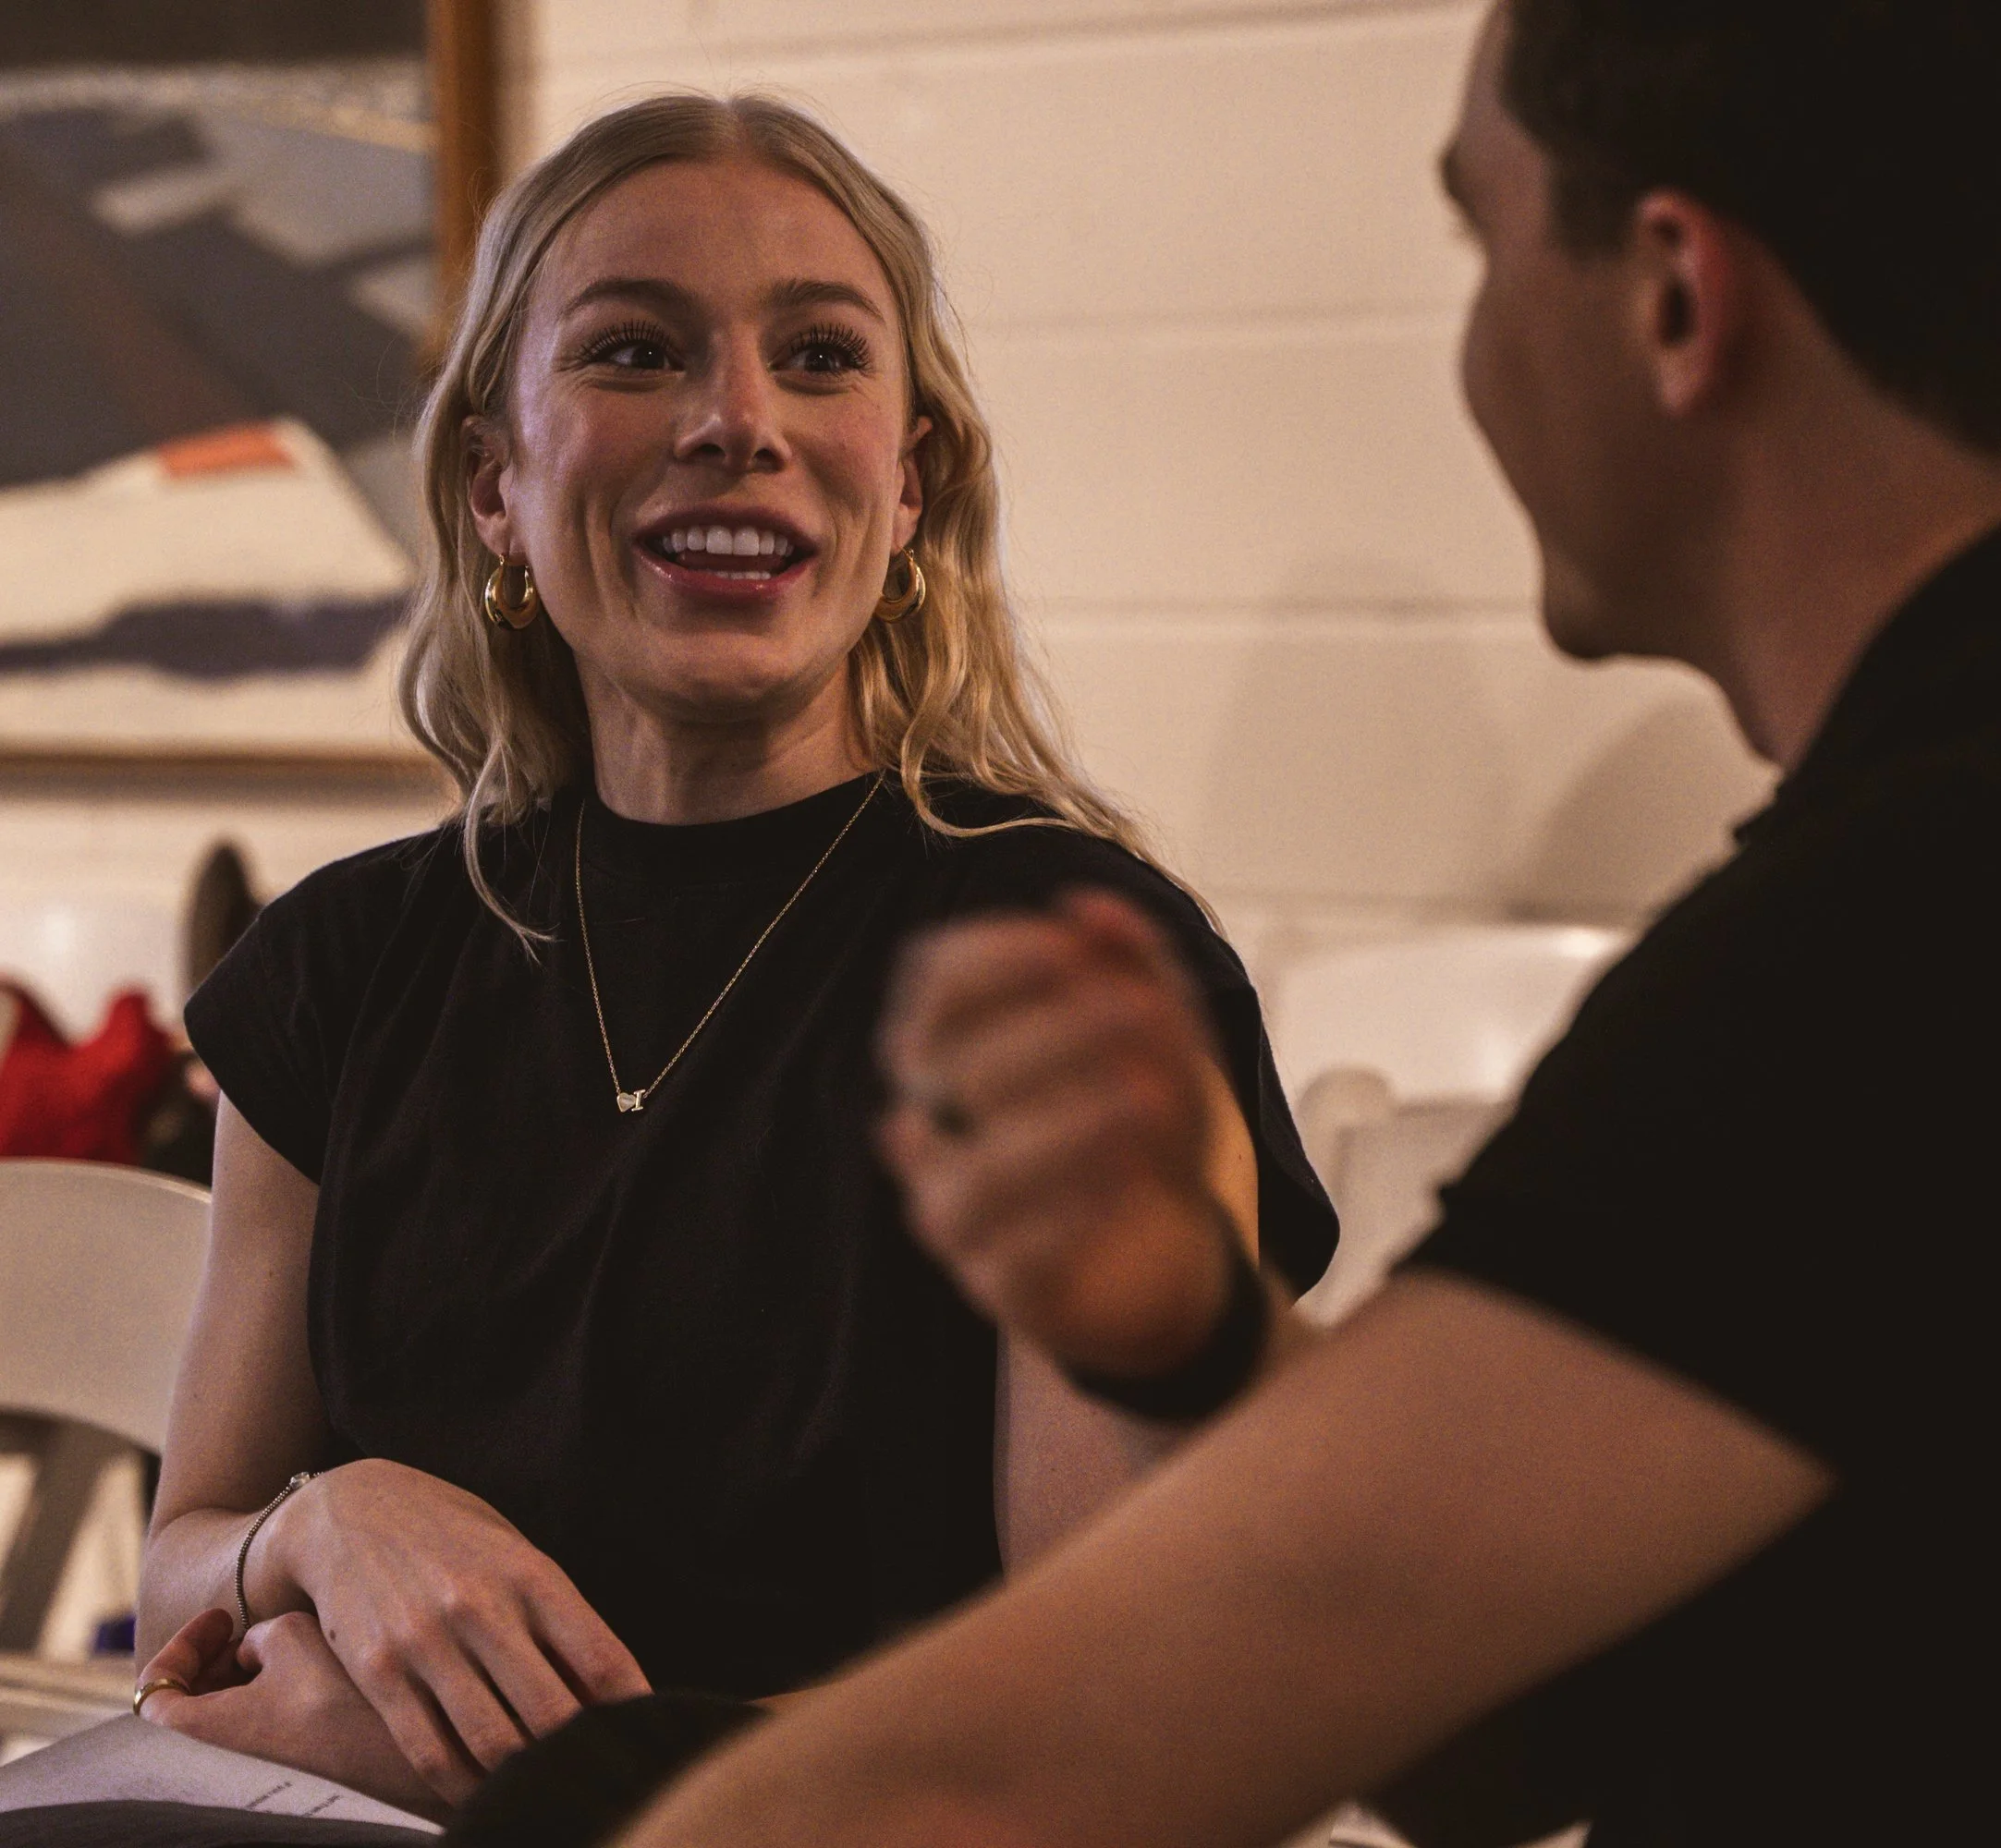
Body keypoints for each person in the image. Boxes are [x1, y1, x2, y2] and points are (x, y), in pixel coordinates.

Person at [584, 3, 2001, 1844]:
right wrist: (1195, 1344)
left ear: (1670, 302)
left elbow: (997, 1783)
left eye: (1482, 245)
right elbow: (1513, 1736)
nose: (1476, 349)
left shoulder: (1945, 922)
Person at [102, 92, 1333, 1822]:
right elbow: (178, 1572)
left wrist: (518, 1772)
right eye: (633, 351)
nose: (735, 421)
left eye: (821, 355)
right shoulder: (344, 967)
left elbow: (1098, 1703)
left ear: (910, 488)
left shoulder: (1064, 966)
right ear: (495, 485)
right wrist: (324, 1520)